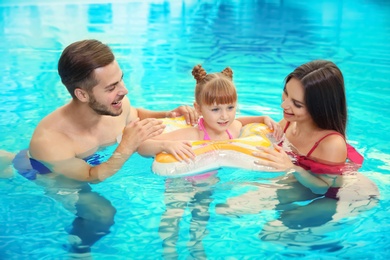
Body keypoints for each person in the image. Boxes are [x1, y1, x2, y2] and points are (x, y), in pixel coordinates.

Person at [2, 39, 198, 254]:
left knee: (15, 161)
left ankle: (8, 160)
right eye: (112, 87)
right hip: (50, 172)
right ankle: (79, 251)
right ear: (82, 94)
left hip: (79, 159)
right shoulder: (50, 139)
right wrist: (126, 146)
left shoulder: (114, 104)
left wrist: (168, 114)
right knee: (102, 214)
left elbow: (136, 115)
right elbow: (91, 175)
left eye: (120, 80)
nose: (124, 90)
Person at [216, 60, 379, 248]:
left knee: (271, 234)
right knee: (226, 209)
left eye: (296, 103)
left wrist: (292, 169)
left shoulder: (331, 143)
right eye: (285, 94)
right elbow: (237, 128)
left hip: (338, 194)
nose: (284, 105)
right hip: (301, 182)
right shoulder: (289, 123)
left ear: (319, 108)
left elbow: (325, 188)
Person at [137, 64, 282, 258]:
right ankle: (169, 247)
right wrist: (165, 146)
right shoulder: (194, 133)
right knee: (174, 213)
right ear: (199, 109)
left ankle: (196, 245)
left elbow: (243, 121)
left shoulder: (232, 129)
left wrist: (263, 117)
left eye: (230, 107)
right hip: (180, 182)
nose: (224, 116)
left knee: (201, 213)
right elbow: (142, 146)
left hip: (207, 183)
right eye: (215, 109)